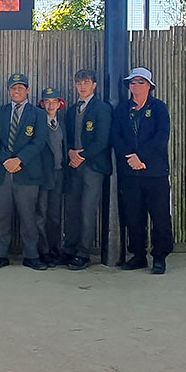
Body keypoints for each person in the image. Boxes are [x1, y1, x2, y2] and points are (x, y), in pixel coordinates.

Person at [112, 67, 172, 275]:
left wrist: (141, 157)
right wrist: (130, 157)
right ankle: (138, 255)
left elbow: (161, 136)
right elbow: (115, 136)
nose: (135, 86)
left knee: (160, 216)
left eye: (140, 82)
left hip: (154, 172)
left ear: (149, 86)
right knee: (133, 216)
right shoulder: (122, 109)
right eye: (132, 82)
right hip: (130, 172)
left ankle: (159, 257)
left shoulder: (159, 108)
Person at [0, 73, 49, 271]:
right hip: (2, 172)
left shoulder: (38, 114)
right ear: (8, 91)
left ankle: (31, 255)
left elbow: (39, 141)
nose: (16, 91)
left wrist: (19, 159)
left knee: (29, 216)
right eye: (13, 88)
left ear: (28, 90)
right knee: (1, 216)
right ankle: (0, 254)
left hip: (27, 172)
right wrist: (6, 159)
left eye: (20, 88)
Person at [61, 70, 113, 270]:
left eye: (86, 82)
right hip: (73, 167)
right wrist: (71, 155)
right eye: (79, 82)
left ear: (94, 85)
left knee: (87, 210)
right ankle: (70, 249)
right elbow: (67, 137)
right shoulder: (73, 109)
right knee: (72, 209)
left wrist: (81, 156)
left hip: (92, 167)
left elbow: (103, 140)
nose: (82, 86)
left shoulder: (102, 108)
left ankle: (83, 253)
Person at [36, 87, 67, 267]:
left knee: (55, 214)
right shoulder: (39, 123)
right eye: (46, 102)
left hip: (58, 173)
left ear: (59, 104)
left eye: (53, 102)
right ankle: (43, 250)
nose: (50, 105)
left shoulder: (61, 124)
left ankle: (55, 247)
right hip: (42, 174)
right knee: (41, 212)